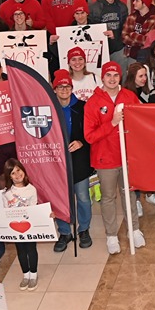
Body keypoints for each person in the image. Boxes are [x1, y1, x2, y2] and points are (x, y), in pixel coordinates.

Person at [83, 61, 147, 255]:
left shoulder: (129, 96)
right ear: (102, 77)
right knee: (108, 198)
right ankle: (111, 235)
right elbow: (89, 136)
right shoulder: (93, 103)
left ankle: (134, 229)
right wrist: (112, 123)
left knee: (129, 193)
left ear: (120, 77)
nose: (112, 79)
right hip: (105, 159)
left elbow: (141, 122)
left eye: (115, 76)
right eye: (108, 76)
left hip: (127, 156)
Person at [51, 69, 94, 251]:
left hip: (79, 159)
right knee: (61, 197)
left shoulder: (83, 107)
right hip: (57, 160)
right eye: (59, 87)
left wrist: (81, 142)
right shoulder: (49, 109)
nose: (63, 90)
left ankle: (83, 229)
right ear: (54, 90)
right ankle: (64, 231)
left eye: (66, 86)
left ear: (71, 87)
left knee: (82, 196)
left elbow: (91, 131)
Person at [0, 158, 41, 290]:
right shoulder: (6, 193)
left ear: (23, 170)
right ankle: (26, 274)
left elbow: (34, 208)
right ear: (9, 177)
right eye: (13, 173)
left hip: (29, 226)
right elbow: (5, 211)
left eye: (18, 170)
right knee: (21, 251)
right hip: (15, 228)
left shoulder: (31, 189)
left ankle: (33, 274)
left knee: (31, 249)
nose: (17, 175)